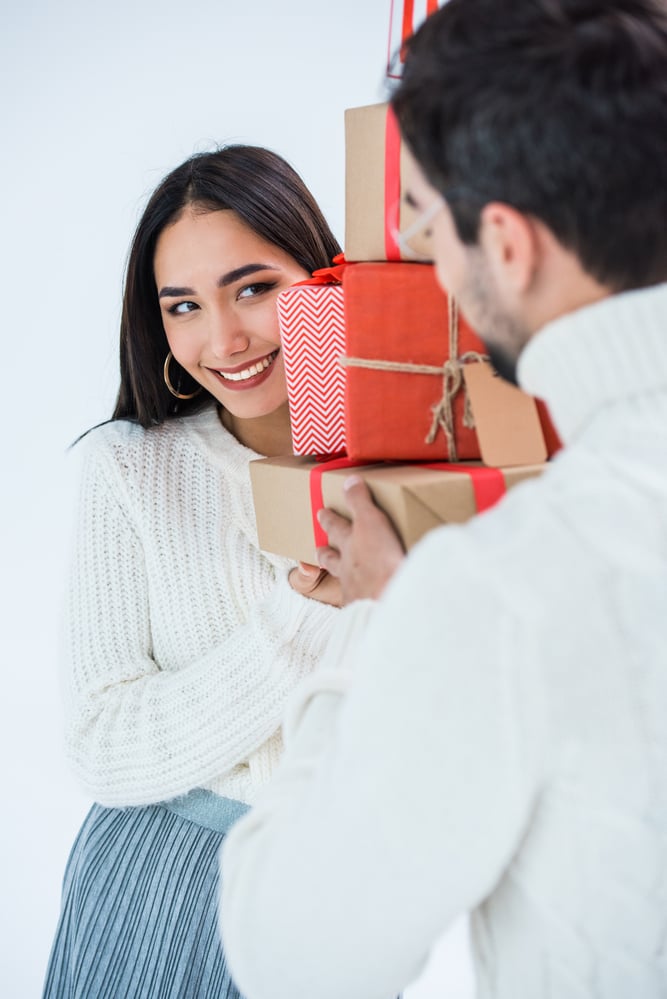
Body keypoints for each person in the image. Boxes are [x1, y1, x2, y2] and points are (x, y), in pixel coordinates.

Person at [219, 2, 667, 997]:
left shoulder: (500, 588)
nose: (427, 262)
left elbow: (294, 960)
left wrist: (390, 621)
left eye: (423, 220)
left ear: (504, 243)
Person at [42, 144, 342, 999]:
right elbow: (102, 745)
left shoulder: (426, 473)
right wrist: (304, 612)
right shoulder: (131, 468)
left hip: (341, 894)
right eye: (184, 305)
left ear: (325, 280)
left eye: (253, 287)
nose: (224, 339)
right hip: (161, 882)